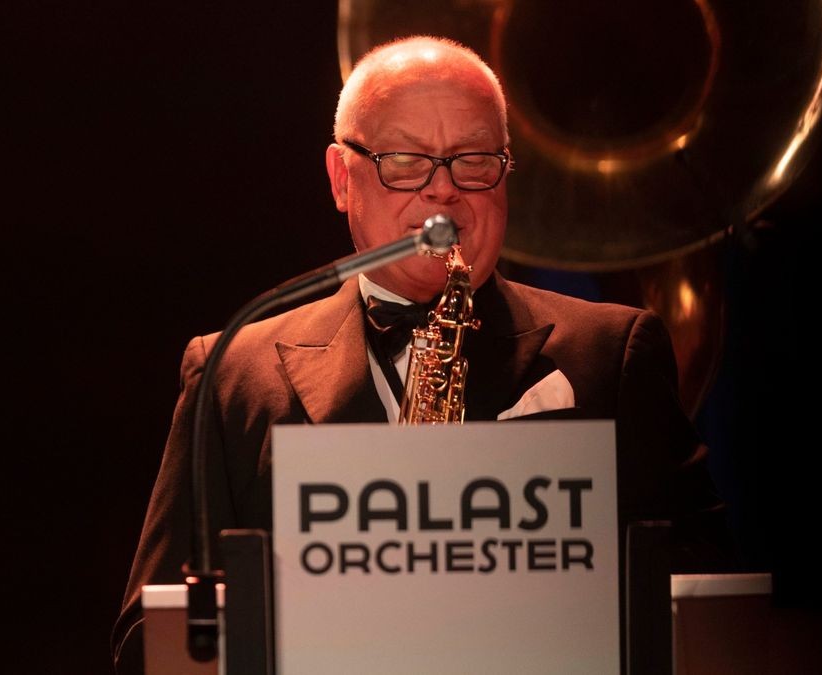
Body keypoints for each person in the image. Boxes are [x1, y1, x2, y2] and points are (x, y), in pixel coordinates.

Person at [112, 36, 727, 673]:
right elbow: (148, 640)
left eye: (474, 161)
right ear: (341, 178)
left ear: (507, 171)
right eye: (404, 160)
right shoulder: (231, 372)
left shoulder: (614, 353)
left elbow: (712, 610)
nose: (442, 192)